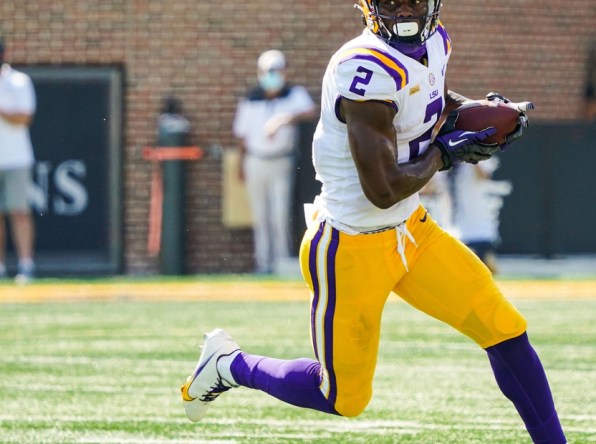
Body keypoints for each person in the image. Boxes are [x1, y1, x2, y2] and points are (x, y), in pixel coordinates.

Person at [182, 2, 565, 443]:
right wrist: (448, 152)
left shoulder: (436, 41)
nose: (406, 9)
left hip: (412, 230)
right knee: (343, 397)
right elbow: (382, 189)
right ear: (369, 6)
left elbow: (430, 96)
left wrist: (479, 109)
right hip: (350, 244)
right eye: (392, 0)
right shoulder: (362, 70)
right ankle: (229, 365)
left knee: (505, 329)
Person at [232, 49, 316, 275]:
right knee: (261, 216)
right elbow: (242, 136)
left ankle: (281, 262)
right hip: (255, 161)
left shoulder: (293, 94)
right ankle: (263, 263)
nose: (272, 74)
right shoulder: (251, 99)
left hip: (282, 161)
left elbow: (310, 110)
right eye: (267, 70)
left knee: (280, 214)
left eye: (276, 70)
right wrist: (241, 165)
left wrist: (285, 119)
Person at [0, 38, 37, 283]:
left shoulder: (19, 81)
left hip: (16, 159)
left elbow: (23, 118)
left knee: (19, 211)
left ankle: (26, 265)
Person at [452, 156, 512, 275]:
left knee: (475, 266)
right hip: (455, 228)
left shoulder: (478, 157)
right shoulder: (447, 163)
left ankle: (485, 259)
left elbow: (484, 175)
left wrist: (470, 155)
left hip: (478, 231)